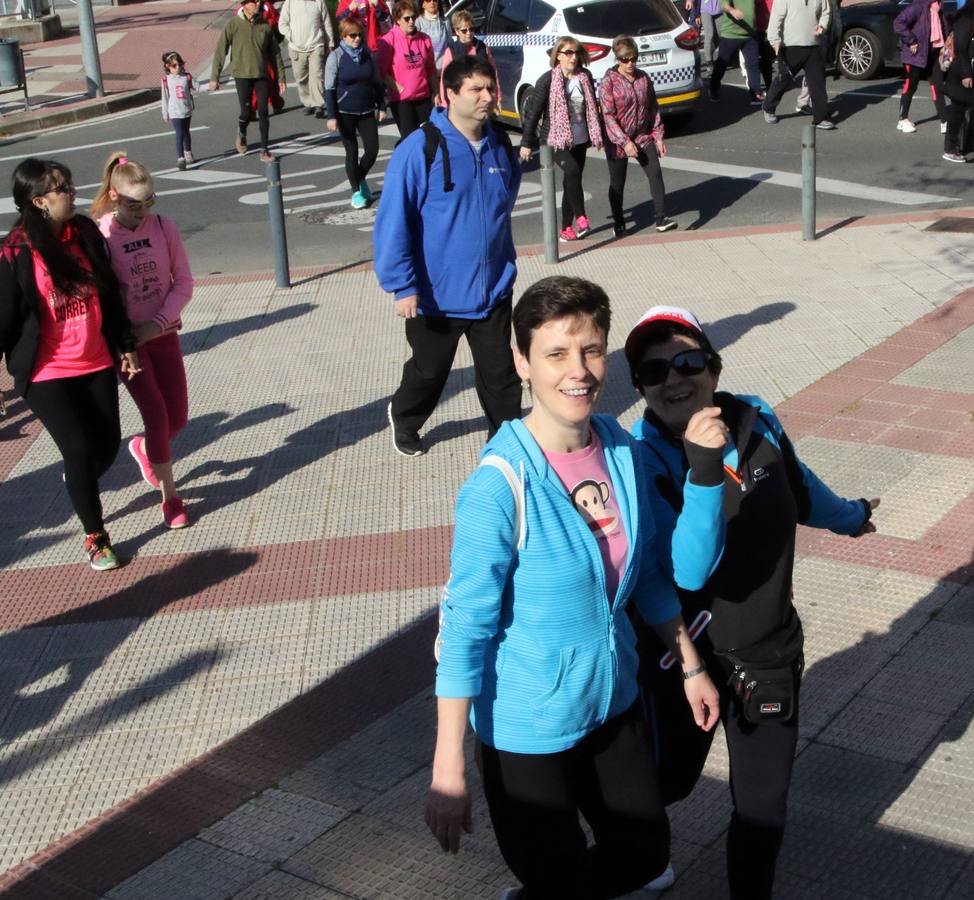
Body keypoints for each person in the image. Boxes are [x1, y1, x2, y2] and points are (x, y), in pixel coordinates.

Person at [426, 276, 720, 898]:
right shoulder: (499, 486)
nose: (578, 371)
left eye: (590, 350)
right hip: (527, 724)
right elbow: (465, 628)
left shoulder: (620, 449)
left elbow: (646, 577)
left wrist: (691, 665)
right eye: (556, 353)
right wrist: (448, 763)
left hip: (612, 702)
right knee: (552, 874)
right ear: (522, 364)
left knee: (644, 852)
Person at [624, 305, 880, 900]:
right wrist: (704, 469)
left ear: (713, 366)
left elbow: (797, 485)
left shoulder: (755, 418)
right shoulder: (641, 460)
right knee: (667, 784)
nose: (674, 379)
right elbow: (688, 570)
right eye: (654, 371)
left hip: (767, 653)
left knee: (762, 809)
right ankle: (624, 865)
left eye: (687, 360)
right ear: (639, 388)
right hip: (684, 664)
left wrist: (850, 518)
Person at [374, 55, 522, 457]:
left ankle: (506, 441)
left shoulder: (499, 142)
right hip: (434, 294)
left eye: (490, 88)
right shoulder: (419, 149)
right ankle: (404, 418)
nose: (487, 97)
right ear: (450, 93)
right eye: (475, 89)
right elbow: (393, 221)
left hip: (492, 289)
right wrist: (402, 286)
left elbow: (503, 200)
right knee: (429, 372)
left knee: (501, 376)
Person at [0, 159, 140, 571]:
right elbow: (5, 317)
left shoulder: (83, 231)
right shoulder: (17, 250)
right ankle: (96, 537)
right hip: (47, 371)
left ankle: (78, 478)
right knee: (77, 449)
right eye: (62, 187)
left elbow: (109, 291)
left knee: (106, 446)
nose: (72, 191)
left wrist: (124, 343)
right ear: (39, 201)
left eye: (69, 182)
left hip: (95, 359)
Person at [91, 154, 193, 530]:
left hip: (163, 334)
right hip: (127, 345)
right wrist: (128, 338)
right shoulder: (102, 236)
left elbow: (183, 282)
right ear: (115, 197)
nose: (143, 211)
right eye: (135, 204)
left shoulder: (164, 227)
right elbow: (103, 295)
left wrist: (158, 323)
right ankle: (171, 498)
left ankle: (145, 450)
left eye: (150, 201)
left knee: (178, 416)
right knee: (156, 413)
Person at [519, 36, 604, 243]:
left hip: (580, 137)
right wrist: (526, 142)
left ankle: (566, 228)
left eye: (575, 53)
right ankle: (582, 217)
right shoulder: (547, 80)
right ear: (558, 56)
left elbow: (592, 107)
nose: (573, 57)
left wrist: (597, 132)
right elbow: (534, 113)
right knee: (573, 171)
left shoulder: (584, 76)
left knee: (570, 181)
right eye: (568, 53)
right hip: (554, 138)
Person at [600, 35, 677, 239]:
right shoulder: (608, 81)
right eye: (625, 59)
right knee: (617, 182)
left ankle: (661, 218)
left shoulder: (643, 78)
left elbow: (653, 107)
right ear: (617, 59)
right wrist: (624, 142)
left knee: (655, 173)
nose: (630, 63)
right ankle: (619, 222)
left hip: (642, 136)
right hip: (618, 140)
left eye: (633, 58)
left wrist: (658, 136)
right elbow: (607, 115)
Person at [210, 0, 286, 162]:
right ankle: (242, 132)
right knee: (246, 113)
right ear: (244, 4)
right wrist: (214, 77)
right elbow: (220, 51)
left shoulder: (264, 25)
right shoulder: (234, 24)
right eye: (253, 1)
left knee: (263, 111)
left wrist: (281, 77)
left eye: (259, 1)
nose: (257, 4)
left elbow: (276, 53)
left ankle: (264, 150)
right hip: (242, 75)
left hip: (261, 75)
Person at [325, 16, 388, 207]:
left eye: (359, 35)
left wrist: (382, 106)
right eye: (352, 36)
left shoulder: (367, 54)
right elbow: (329, 88)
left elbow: (377, 83)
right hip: (345, 111)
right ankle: (356, 193)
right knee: (351, 152)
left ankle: (359, 179)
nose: (357, 39)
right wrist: (332, 116)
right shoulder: (336, 57)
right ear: (343, 36)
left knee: (372, 150)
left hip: (366, 109)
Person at [762, 0, 835, 130]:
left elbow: (826, 12)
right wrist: (774, 41)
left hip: (813, 46)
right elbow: (775, 19)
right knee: (783, 79)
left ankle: (820, 117)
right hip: (790, 47)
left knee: (817, 82)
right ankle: (768, 108)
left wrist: (822, 26)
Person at [377, 1, 437, 139]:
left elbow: (430, 68)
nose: (411, 21)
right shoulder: (389, 40)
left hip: (423, 97)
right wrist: (398, 88)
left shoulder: (424, 39)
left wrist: (436, 92)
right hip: (402, 101)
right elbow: (381, 70)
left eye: (413, 18)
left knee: (429, 138)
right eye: (407, 18)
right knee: (410, 140)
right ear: (397, 20)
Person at [893, 0, 949, 134]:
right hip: (915, 55)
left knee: (938, 86)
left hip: (933, 54)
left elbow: (943, 28)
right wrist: (911, 40)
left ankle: (944, 121)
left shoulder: (938, 7)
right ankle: (902, 119)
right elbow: (898, 23)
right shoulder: (918, 6)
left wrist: (945, 46)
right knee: (911, 86)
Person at [279, 0, 335, 118]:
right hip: (296, 47)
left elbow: (326, 23)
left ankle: (318, 104)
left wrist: (330, 43)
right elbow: (282, 24)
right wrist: (291, 35)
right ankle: (308, 102)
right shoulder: (290, 2)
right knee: (301, 77)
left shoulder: (319, 2)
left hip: (316, 45)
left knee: (317, 75)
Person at [437, 10, 501, 107]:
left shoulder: (482, 48)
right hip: (461, 101)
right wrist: (445, 104)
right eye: (464, 30)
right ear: (457, 31)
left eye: (471, 29)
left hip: (481, 99)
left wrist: (497, 97)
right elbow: (444, 79)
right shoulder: (451, 51)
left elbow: (493, 73)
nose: (468, 33)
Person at [709, 0, 768, 105]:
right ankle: (713, 88)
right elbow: (723, 5)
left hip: (750, 34)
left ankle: (755, 94)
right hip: (731, 35)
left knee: (753, 65)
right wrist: (732, 10)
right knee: (722, 64)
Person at [943, 2, 974, 161]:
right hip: (960, 74)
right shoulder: (964, 22)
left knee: (961, 110)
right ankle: (950, 149)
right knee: (958, 111)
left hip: (965, 72)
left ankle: (961, 146)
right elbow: (961, 48)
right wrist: (966, 74)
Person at [160, 51, 195, 171]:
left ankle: (188, 152)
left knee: (186, 132)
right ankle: (181, 158)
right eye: (174, 65)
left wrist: (210, 86)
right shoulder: (166, 80)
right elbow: (164, 97)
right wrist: (165, 112)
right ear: (167, 66)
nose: (177, 67)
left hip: (186, 109)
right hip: (174, 111)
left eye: (179, 64)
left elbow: (198, 86)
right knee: (179, 133)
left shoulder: (186, 77)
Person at [689, 0, 723, 79]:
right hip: (705, 9)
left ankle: (710, 53)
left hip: (719, 8)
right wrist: (697, 14)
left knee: (720, 36)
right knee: (709, 34)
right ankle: (709, 63)